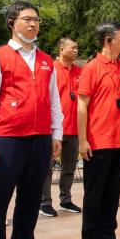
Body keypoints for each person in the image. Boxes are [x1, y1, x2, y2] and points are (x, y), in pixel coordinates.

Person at [0, 1, 62, 239]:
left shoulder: (46, 60)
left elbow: (54, 100)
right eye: (27, 19)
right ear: (12, 22)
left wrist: (56, 133)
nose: (33, 24)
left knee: (30, 198)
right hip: (8, 137)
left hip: (40, 138)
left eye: (36, 19)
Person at [77, 21, 120, 239]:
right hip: (97, 140)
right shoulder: (92, 67)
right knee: (94, 193)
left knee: (112, 193)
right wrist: (82, 140)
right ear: (108, 40)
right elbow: (82, 105)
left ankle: (108, 237)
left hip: (119, 141)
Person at [43, 38, 83, 217]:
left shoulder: (80, 72)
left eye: (77, 47)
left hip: (74, 127)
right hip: (54, 129)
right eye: (72, 47)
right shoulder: (51, 70)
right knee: (48, 167)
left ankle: (65, 199)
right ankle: (44, 202)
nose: (76, 50)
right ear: (61, 49)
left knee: (69, 167)